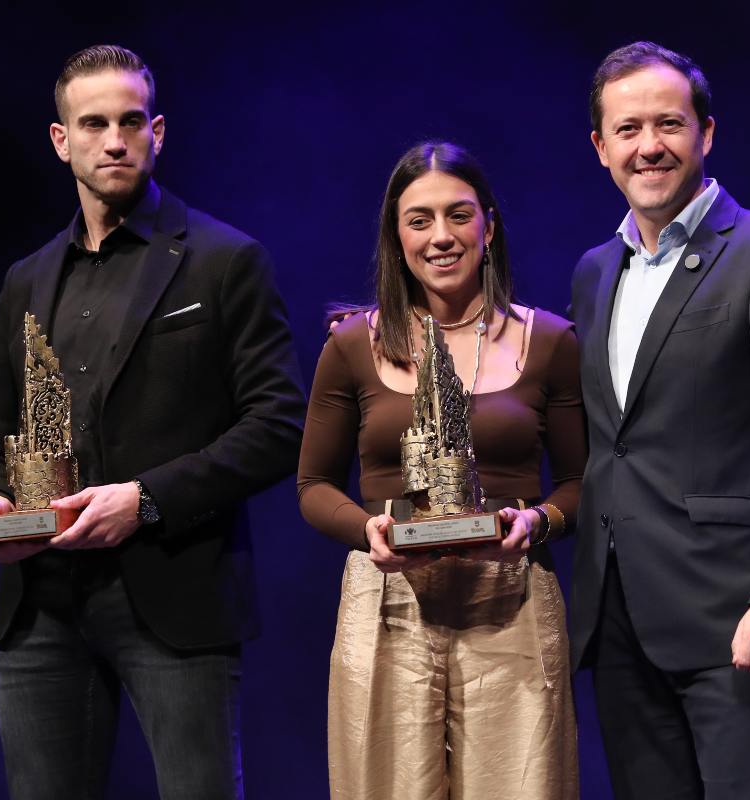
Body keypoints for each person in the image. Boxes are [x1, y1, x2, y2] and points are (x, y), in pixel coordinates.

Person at [0, 44, 305, 799]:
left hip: (174, 592)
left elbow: (278, 425)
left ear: (157, 131)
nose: (113, 140)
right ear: (62, 141)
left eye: (129, 121)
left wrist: (142, 500)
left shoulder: (224, 260)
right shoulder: (26, 278)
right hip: (40, 601)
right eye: (92, 124)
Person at [568, 42, 750, 799]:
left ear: (705, 133)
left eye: (668, 124)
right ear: (600, 148)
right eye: (626, 130)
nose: (648, 146)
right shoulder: (594, 272)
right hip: (618, 619)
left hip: (737, 619)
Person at [297, 141, 584, 800]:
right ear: (396, 238)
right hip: (387, 601)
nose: (440, 237)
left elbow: (581, 482)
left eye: (458, 215)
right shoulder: (349, 346)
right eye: (418, 220)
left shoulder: (549, 342)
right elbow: (312, 487)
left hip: (510, 599)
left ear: (489, 224)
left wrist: (538, 520)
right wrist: (367, 529)